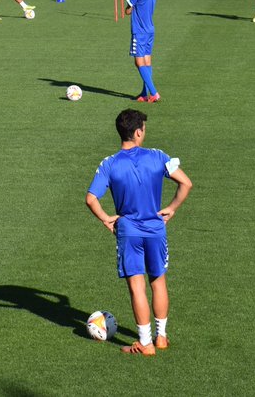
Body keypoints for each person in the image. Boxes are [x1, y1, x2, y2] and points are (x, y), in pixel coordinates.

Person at [85, 109, 193, 356]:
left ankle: (145, 343)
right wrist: (172, 208)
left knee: (137, 286)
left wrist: (106, 219)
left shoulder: (109, 163)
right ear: (137, 132)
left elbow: (91, 199)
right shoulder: (158, 156)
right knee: (158, 281)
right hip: (156, 229)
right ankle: (161, 337)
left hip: (129, 231)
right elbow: (186, 183)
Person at [124, 0, 159, 103]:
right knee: (147, 61)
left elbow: (128, 11)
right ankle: (144, 94)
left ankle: (154, 93)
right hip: (150, 29)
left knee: (139, 62)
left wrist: (129, 7)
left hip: (139, 31)